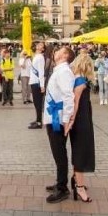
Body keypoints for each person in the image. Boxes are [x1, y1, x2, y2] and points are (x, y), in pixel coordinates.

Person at [44, 46, 76, 203]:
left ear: (65, 55)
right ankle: (59, 182)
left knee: (59, 152)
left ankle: (62, 188)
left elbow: (68, 96)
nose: (55, 52)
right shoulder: (60, 70)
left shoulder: (63, 72)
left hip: (58, 118)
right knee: (58, 152)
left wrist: (66, 119)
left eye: (59, 50)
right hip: (53, 116)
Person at [67, 51, 95, 203]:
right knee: (81, 150)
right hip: (80, 118)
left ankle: (76, 178)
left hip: (82, 117)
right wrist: (72, 121)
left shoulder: (77, 79)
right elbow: (76, 103)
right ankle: (80, 186)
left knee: (80, 149)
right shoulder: (80, 82)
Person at [28, 42, 46, 128]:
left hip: (37, 83)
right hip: (33, 81)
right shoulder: (36, 56)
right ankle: (38, 119)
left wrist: (42, 85)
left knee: (38, 103)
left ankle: (39, 122)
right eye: (38, 44)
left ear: (43, 49)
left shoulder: (40, 57)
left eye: (41, 45)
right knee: (36, 103)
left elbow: (41, 72)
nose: (39, 45)